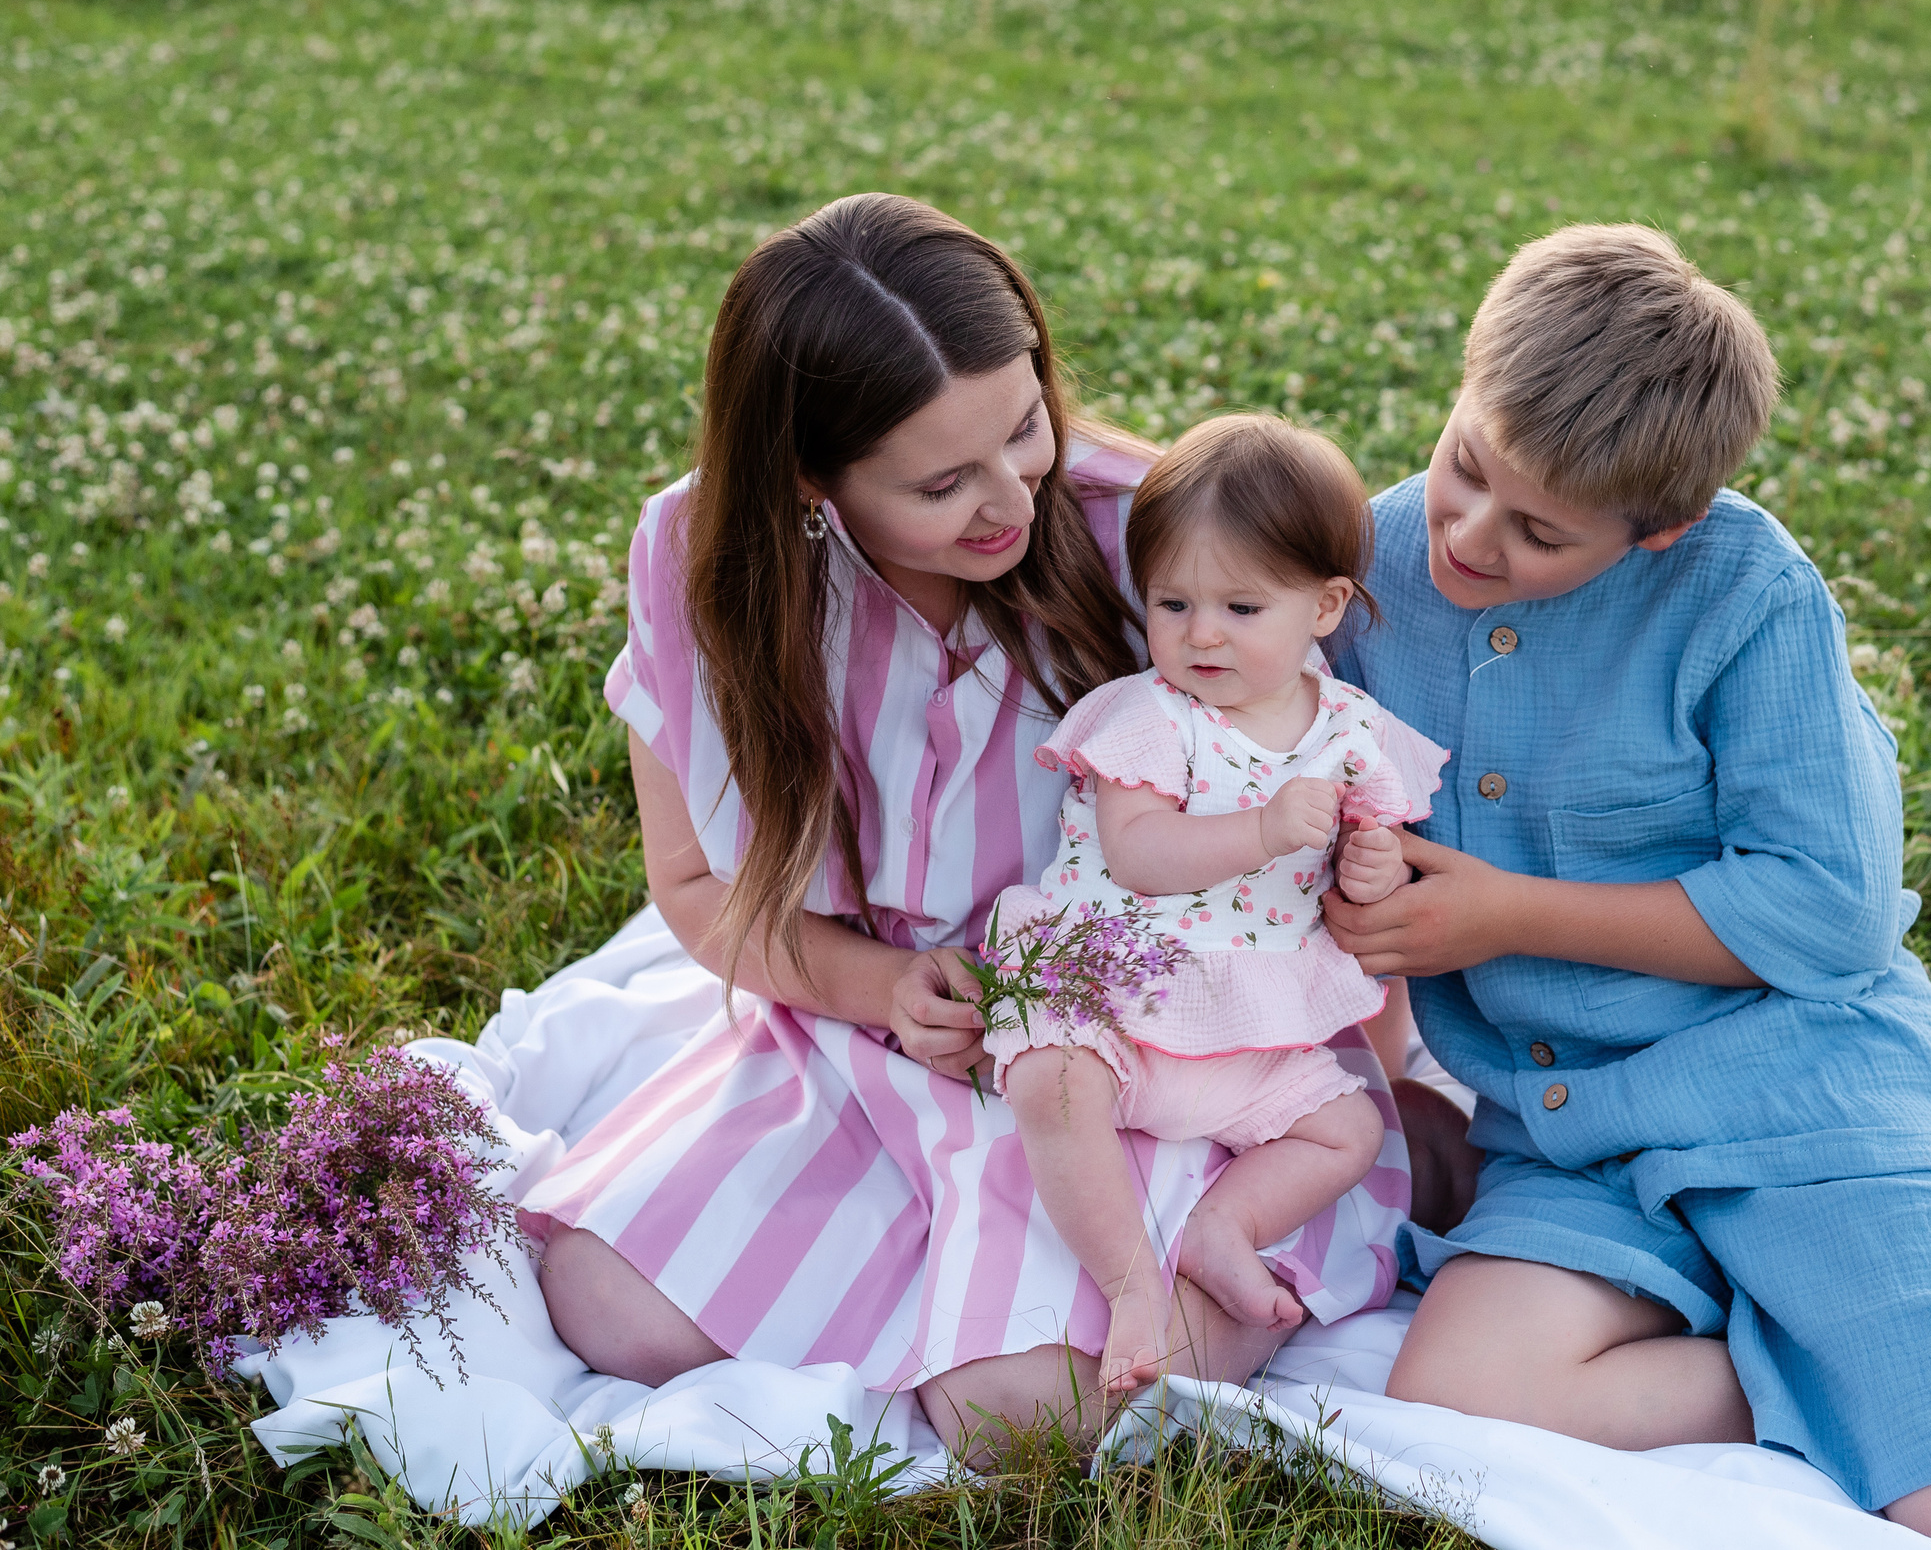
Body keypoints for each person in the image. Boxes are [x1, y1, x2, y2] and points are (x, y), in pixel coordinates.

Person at [1320, 224, 1931, 1550]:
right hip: (1572, 1116)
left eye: (1539, 530)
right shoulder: (1360, 572)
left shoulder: (1750, 595)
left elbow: (1822, 914)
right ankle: (1822, 1359)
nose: (1470, 535)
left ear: (1661, 529)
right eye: (1463, 465)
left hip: (1798, 1084)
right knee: (1463, 1389)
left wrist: (1502, 915)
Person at [518, 194, 1413, 1458]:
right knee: (611, 1306)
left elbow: (1326, 797)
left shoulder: (1143, 536)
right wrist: (879, 983)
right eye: (942, 481)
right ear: (809, 482)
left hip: (1152, 1039)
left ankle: (1020, 1299)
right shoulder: (701, 556)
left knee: (1025, 1419)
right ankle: (923, 1279)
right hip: (878, 1031)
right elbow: (694, 881)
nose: (1009, 497)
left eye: (1026, 426)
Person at [980, 415, 1446, 1396]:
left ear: (1323, 606)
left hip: (1247, 1021)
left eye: (1240, 605)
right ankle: (1132, 1286)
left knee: (1346, 1130)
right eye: (1172, 600)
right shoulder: (1149, 715)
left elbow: (1376, 857)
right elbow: (1138, 851)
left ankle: (1225, 1224)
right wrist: (1263, 832)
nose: (1199, 632)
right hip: (1110, 980)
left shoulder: (1352, 732)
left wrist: (1365, 869)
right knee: (1050, 1084)